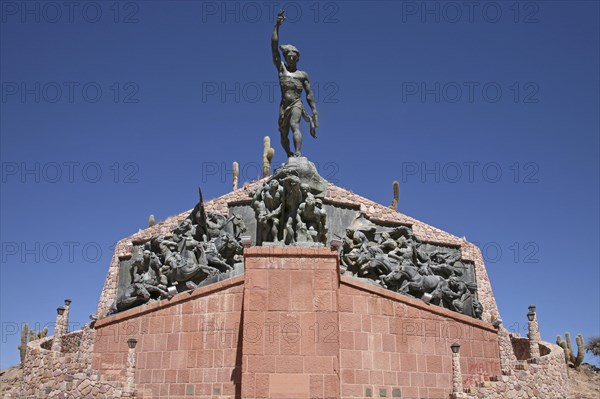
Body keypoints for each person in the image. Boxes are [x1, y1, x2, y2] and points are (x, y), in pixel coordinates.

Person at [271, 10, 319, 157]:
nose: (291, 59)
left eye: (294, 57)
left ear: (297, 58)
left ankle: (298, 153)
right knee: (283, 134)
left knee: (294, 125)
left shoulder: (302, 75)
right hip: (283, 106)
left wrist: (314, 111)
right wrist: (276, 26)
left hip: (297, 104)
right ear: (286, 57)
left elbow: (309, 94)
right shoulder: (281, 69)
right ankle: (289, 154)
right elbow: (274, 48)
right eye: (289, 56)